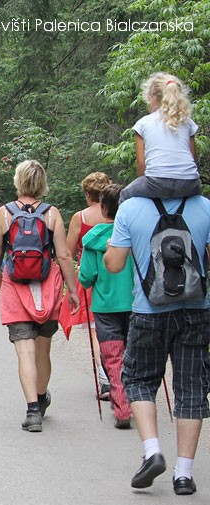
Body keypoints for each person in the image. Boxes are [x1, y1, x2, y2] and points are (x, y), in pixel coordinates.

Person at [105, 192, 210, 495]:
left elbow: (114, 264)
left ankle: (152, 452)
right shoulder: (204, 207)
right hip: (197, 309)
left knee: (138, 379)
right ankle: (184, 474)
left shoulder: (131, 207)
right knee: (191, 387)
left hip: (149, 310)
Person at [0, 160, 79, 433]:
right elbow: (63, 255)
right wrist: (72, 289)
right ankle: (41, 398)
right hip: (46, 287)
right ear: (42, 184)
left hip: (16, 287)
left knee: (24, 351)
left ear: (18, 181)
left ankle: (32, 412)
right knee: (43, 348)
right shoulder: (52, 214)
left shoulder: (3, 214)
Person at [77, 184, 133, 429]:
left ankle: (122, 408)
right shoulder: (136, 234)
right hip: (136, 305)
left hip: (105, 306)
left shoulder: (93, 240)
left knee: (112, 357)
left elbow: (86, 277)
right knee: (134, 354)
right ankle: (139, 400)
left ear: (103, 208)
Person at [66, 172, 113, 400]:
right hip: (117, 274)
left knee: (96, 330)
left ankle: (105, 378)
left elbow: (67, 251)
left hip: (90, 277)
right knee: (118, 326)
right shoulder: (116, 215)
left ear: (87, 193)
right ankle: (119, 372)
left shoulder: (80, 218)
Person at [120, 72, 202, 202]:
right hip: (189, 183)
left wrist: (144, 182)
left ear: (151, 97)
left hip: (156, 182)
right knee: (198, 194)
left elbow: (141, 164)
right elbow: (192, 157)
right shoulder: (187, 122)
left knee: (125, 195)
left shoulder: (143, 123)